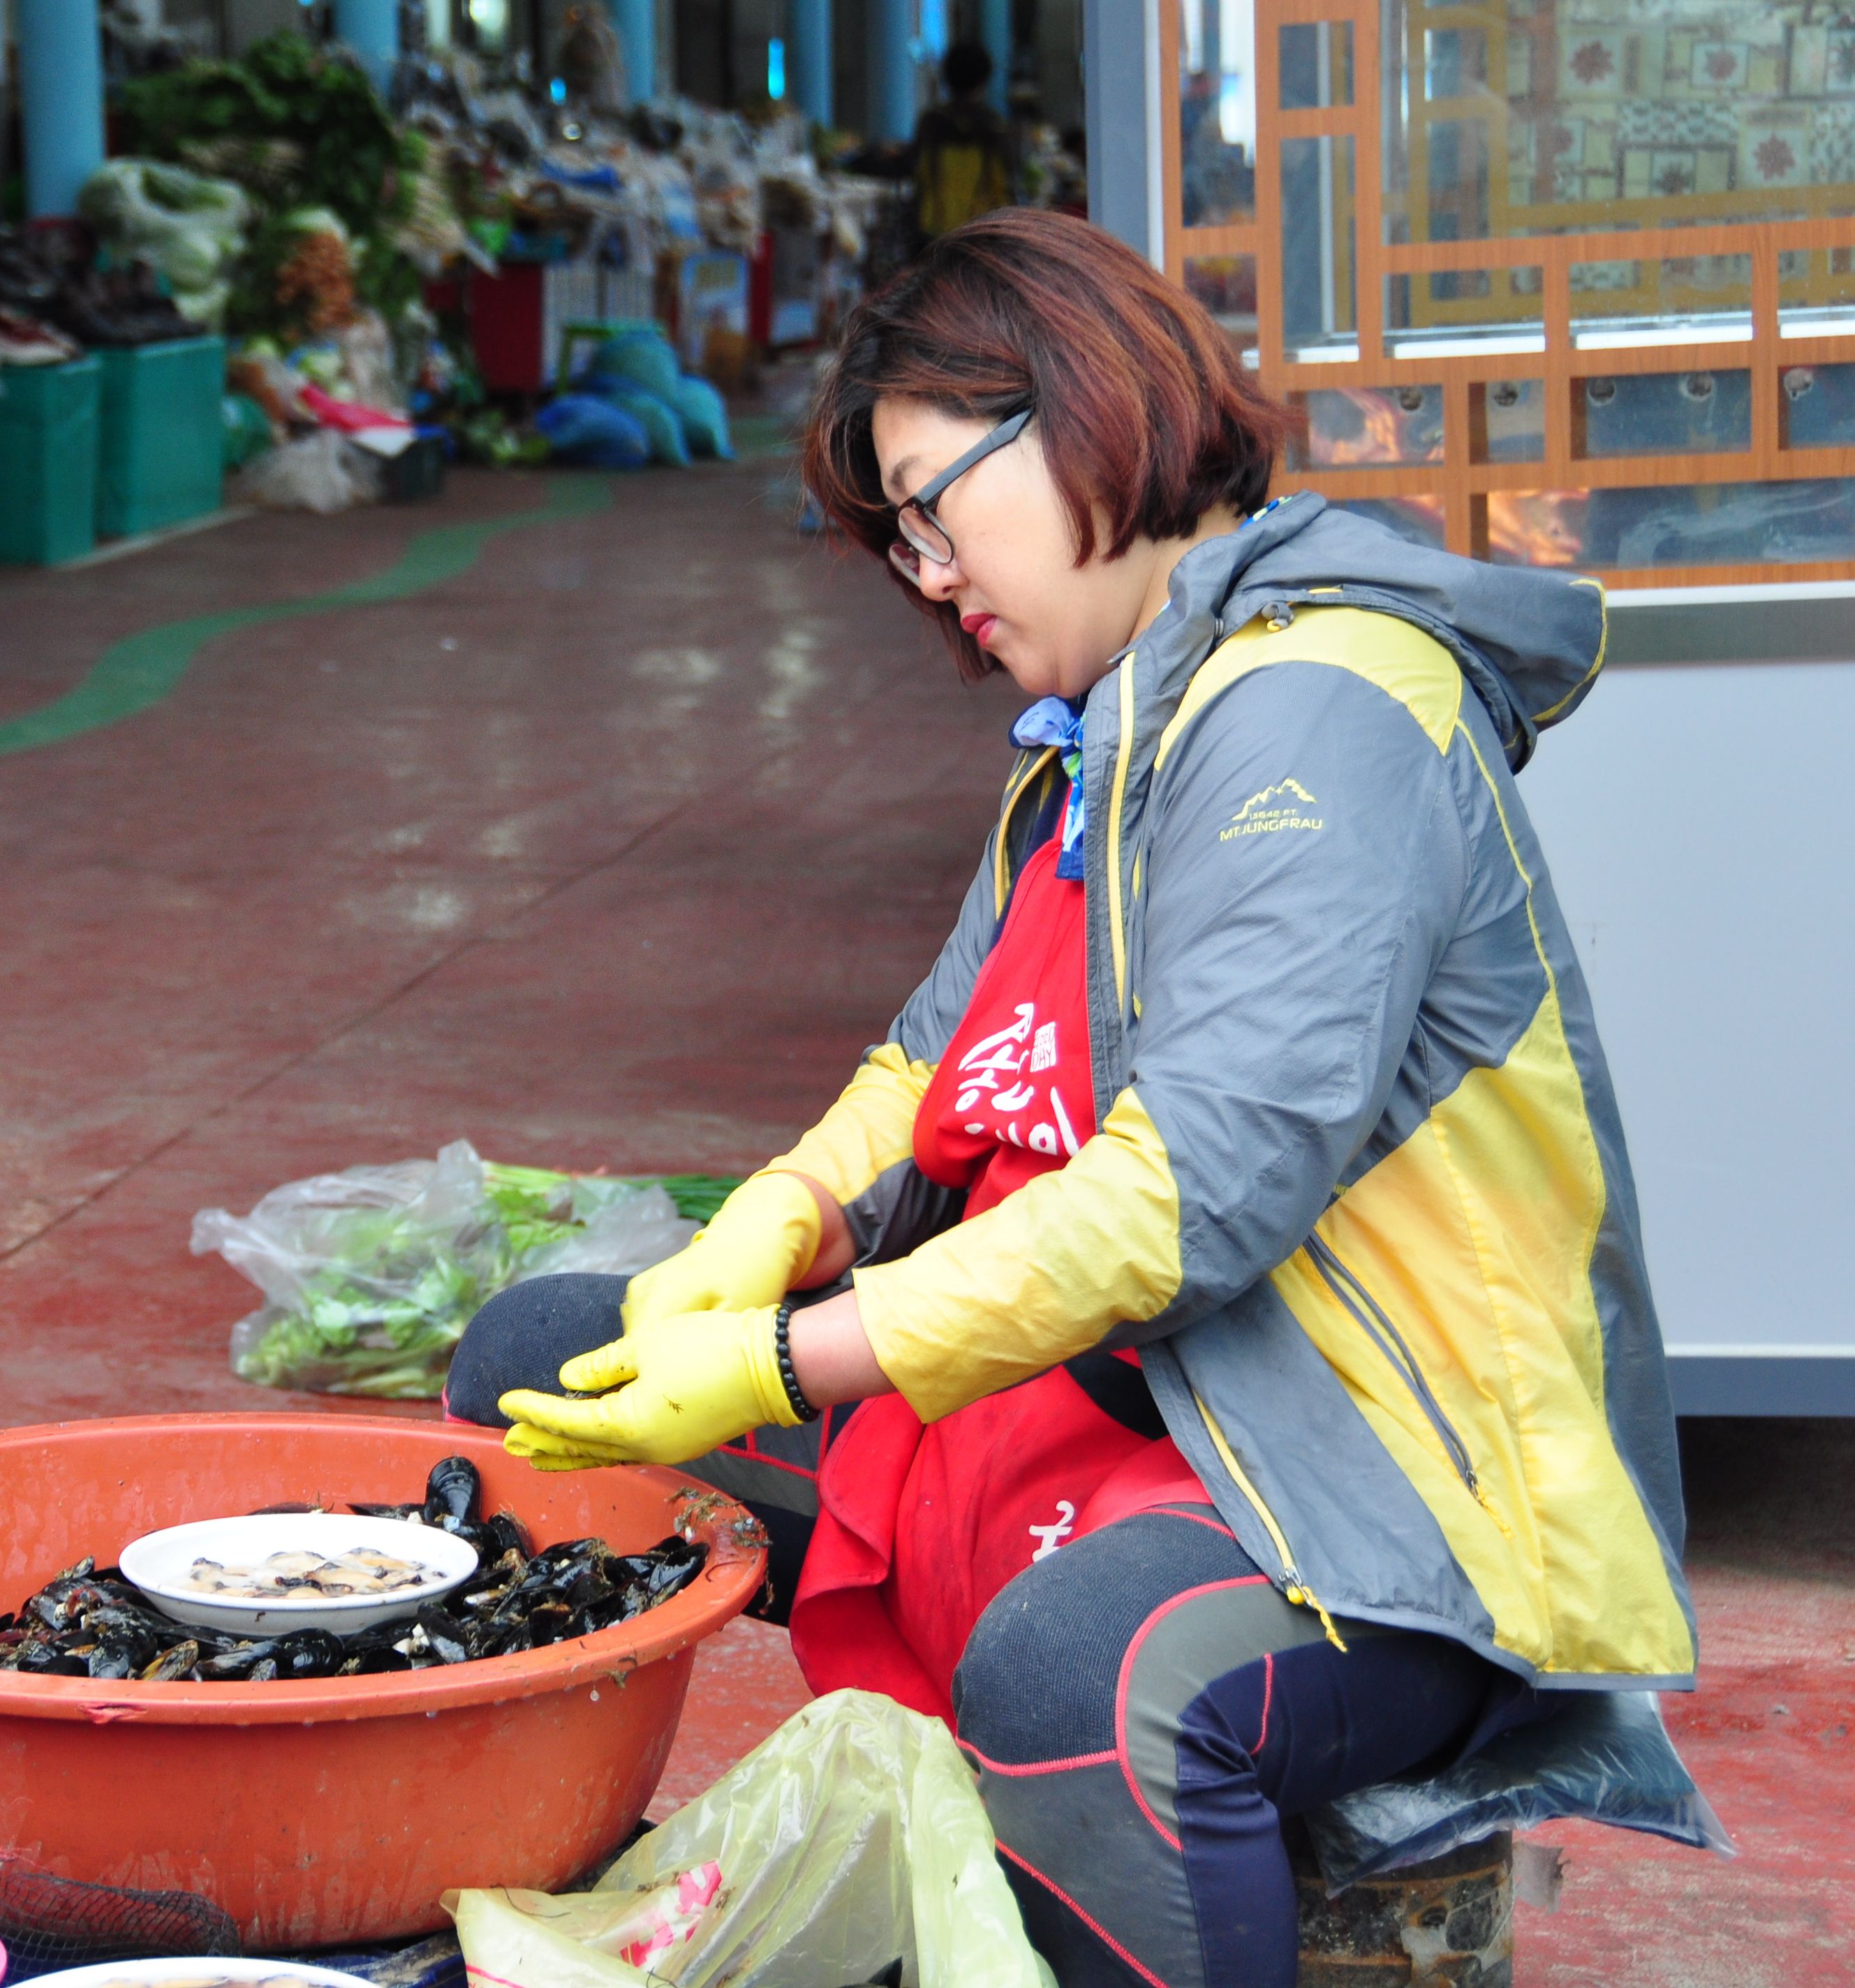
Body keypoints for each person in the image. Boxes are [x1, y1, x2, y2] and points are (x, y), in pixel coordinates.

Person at [449, 209, 1699, 1988]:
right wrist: (767, 1231)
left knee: (1085, 1675)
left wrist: (782, 1356)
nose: (924, 569)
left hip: (1363, 1472)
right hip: (1118, 1390)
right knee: (530, 1364)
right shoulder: (1096, 741)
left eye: (927, 503)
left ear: (1073, 412)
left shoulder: (1318, 710)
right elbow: (927, 1056)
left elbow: (1190, 1193)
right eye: (892, 534)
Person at [912, 41, 1012, 239]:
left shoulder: (931, 122)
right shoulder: (993, 124)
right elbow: (1006, 178)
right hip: (984, 226)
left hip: (934, 227)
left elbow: (917, 172)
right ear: (985, 78)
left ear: (947, 77)